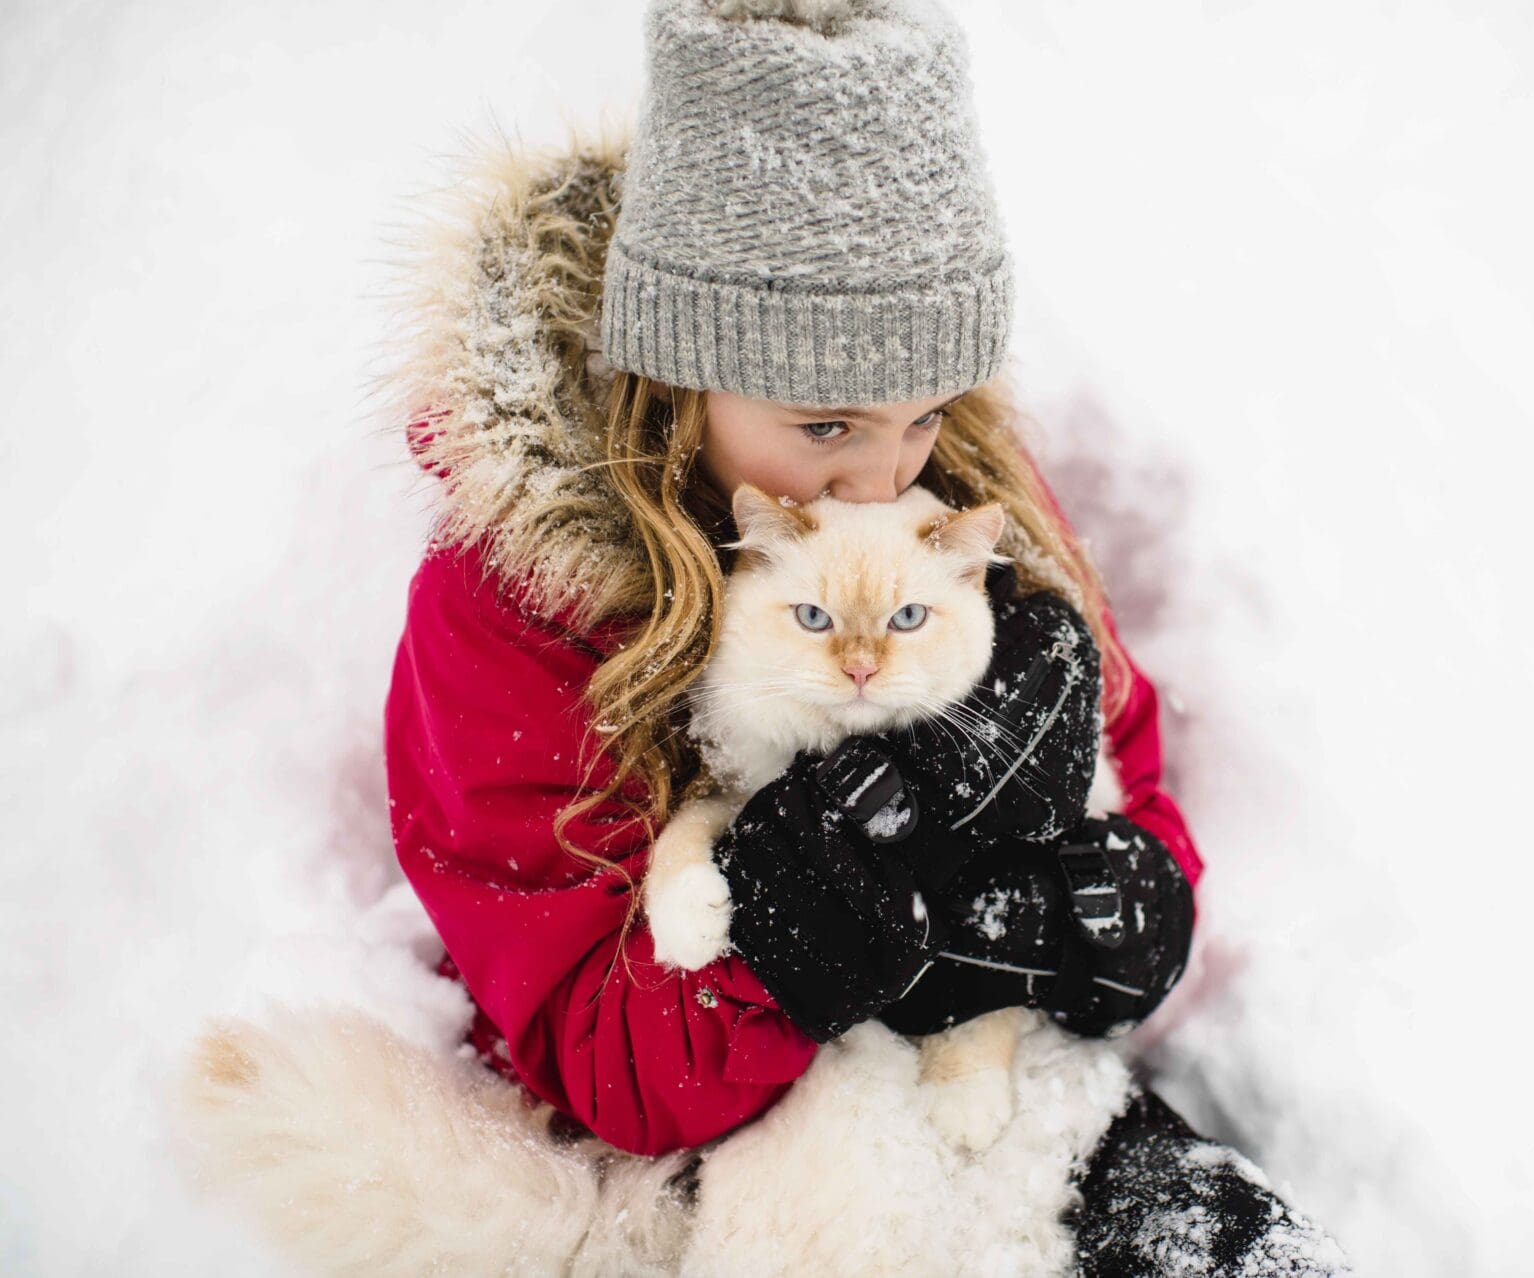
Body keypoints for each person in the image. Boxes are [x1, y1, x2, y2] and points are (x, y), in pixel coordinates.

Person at [384, 1, 1348, 1272]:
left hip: (1016, 1100)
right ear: (682, 369)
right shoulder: (515, 594)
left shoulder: (954, 493)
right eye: (827, 424)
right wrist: (786, 944)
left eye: (921, 417)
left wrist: (1119, 909)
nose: (879, 482)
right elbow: (585, 1038)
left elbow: (1125, 751)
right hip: (745, 1162)